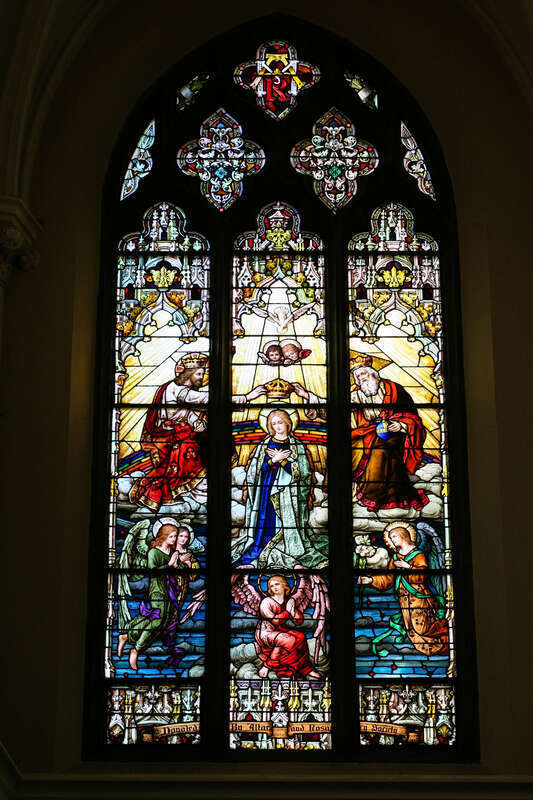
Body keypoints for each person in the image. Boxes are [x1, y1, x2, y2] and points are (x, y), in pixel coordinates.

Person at [130, 353, 265, 510]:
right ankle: (183, 494)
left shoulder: (179, 390)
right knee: (197, 452)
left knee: (208, 444)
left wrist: (198, 422)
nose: (202, 378)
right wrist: (247, 397)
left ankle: (198, 495)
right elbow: (206, 400)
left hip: (181, 435)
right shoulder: (178, 390)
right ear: (189, 373)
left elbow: (191, 412)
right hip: (172, 438)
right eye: (199, 374)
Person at [232, 409, 327, 568]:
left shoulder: (297, 445)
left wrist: (283, 462)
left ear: (288, 423)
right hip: (266, 489)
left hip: (289, 493)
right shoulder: (264, 444)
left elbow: (303, 473)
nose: (277, 426)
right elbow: (256, 470)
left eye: (280, 422)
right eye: (273, 423)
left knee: (285, 521)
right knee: (265, 517)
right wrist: (273, 460)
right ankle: (262, 543)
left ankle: (287, 545)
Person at [349, 355, 428, 511]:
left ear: (373, 373)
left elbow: (413, 417)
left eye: (364, 374)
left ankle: (373, 496)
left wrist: (401, 425)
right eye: (358, 376)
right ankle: (347, 490)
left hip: (395, 434)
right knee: (347, 446)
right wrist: (307, 397)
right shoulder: (355, 395)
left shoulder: (395, 390)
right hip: (367, 433)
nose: (362, 378)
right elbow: (330, 410)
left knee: (381, 448)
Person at [357, 522, 449, 657]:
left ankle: (445, 641)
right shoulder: (395, 557)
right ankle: (432, 648)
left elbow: (422, 576)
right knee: (412, 629)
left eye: (394, 536)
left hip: (418, 597)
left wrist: (408, 567)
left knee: (423, 627)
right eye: (391, 537)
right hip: (404, 600)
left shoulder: (418, 554)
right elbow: (388, 579)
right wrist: (370, 580)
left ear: (403, 536)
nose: (392, 540)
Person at [117, 521, 190, 671]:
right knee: (157, 621)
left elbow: (178, 568)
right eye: (172, 536)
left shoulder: (171, 553)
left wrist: (182, 564)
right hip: (157, 590)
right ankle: (135, 650)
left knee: (161, 623)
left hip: (170, 592)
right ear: (163, 536)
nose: (174, 539)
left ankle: (126, 636)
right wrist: (170, 565)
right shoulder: (153, 552)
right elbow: (153, 572)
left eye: (175, 536)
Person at [255, 576, 321, 678]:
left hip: (281, 631)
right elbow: (275, 621)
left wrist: (293, 610)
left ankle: (306, 669)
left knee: (301, 637)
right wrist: (288, 611)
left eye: (277, 584)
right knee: (288, 640)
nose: (274, 587)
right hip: (266, 633)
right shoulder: (266, 602)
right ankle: (267, 666)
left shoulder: (288, 601)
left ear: (284, 585)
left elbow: (299, 621)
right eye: (271, 586)